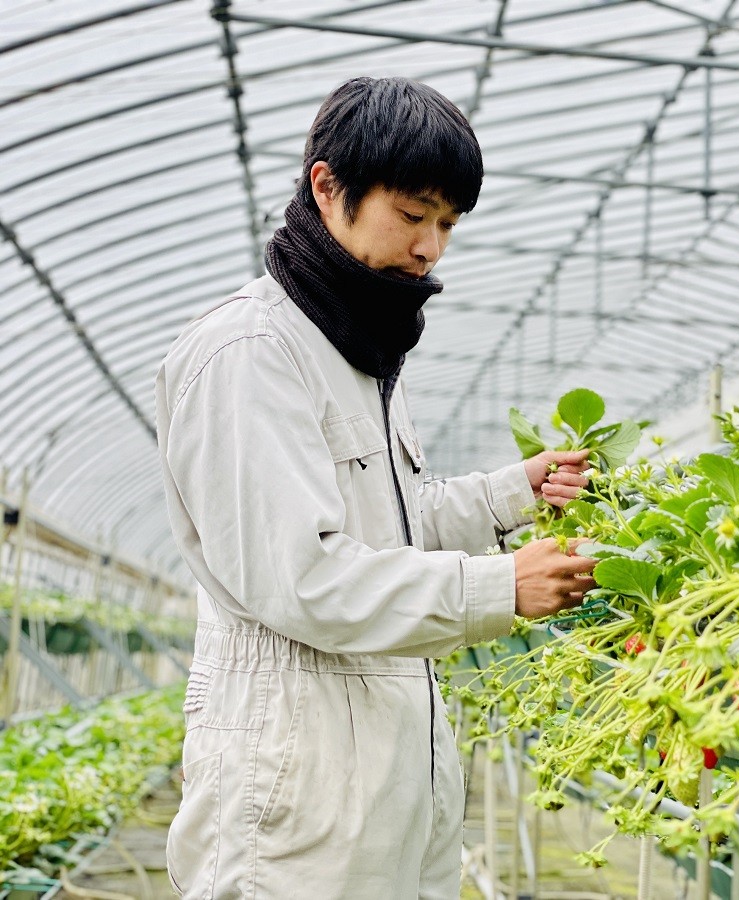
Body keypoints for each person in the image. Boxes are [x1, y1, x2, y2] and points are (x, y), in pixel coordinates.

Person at [154, 76, 597, 899]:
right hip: (296, 792)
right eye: (414, 213)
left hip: (392, 781)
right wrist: (505, 585)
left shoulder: (359, 357)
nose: (430, 248)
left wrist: (511, 494)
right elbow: (304, 576)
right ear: (328, 187)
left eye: (448, 224)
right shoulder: (249, 354)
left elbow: (392, 525)